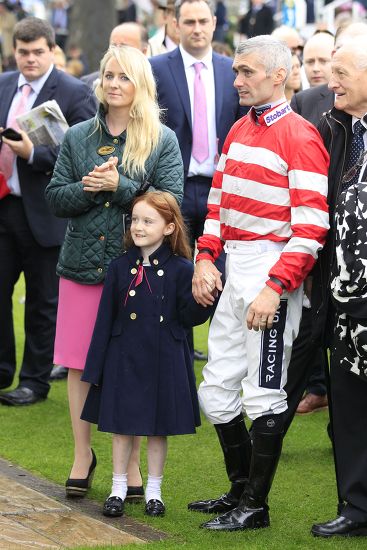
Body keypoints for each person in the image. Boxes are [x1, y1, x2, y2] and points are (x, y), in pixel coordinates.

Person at [188, 35, 329, 531]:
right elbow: (216, 207)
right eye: (236, 72)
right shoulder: (237, 131)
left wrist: (275, 287)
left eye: (247, 72)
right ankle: (238, 491)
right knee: (217, 389)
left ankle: (256, 507)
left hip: (272, 271)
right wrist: (205, 258)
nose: (238, 80)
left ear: (278, 75)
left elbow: (311, 227)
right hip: (234, 266)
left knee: (264, 392)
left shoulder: (301, 135)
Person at [45, 45, 183, 499]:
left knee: (134, 364)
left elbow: (172, 204)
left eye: (124, 76)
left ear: (140, 82)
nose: (114, 83)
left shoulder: (161, 139)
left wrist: (120, 186)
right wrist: (89, 188)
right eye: (108, 75)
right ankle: (83, 455)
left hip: (139, 272)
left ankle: (132, 469)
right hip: (82, 265)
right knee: (79, 363)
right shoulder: (78, 136)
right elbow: (55, 198)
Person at [81, 191, 214, 518]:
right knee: (122, 426)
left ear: (169, 228)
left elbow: (190, 318)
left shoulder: (184, 269)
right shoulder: (119, 267)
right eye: (135, 220)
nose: (138, 227)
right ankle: (118, 488)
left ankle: (154, 491)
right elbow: (104, 320)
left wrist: (202, 294)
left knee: (158, 428)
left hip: (165, 357)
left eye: (147, 221)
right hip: (124, 357)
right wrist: (95, 368)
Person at [0, 16, 95, 405]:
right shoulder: (4, 84)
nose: (30, 59)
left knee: (43, 300)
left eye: (38, 51)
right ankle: (2, 369)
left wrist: (33, 154)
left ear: (51, 50)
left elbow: (83, 156)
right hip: (5, 205)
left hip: (48, 212)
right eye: (23, 52)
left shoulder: (73, 93)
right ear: (15, 51)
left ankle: (34, 381)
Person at [150, 0, 245, 361]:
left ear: (215, 22)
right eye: (188, 21)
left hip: (220, 188)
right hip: (174, 186)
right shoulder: (156, 68)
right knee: (173, 272)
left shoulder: (230, 70)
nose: (196, 28)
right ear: (175, 24)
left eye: (203, 21)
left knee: (222, 272)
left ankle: (224, 352)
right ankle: (180, 349)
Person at [311, 35, 367, 538]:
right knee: (349, 407)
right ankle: (355, 508)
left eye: (342, 73)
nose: (332, 83)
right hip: (344, 299)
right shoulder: (336, 128)